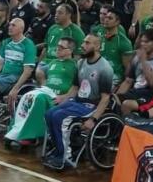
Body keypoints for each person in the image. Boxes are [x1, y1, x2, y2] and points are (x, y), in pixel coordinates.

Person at [43, 34, 114, 170]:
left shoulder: (105, 68)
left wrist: (93, 119)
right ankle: (58, 149)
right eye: (83, 42)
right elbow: (75, 87)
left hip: (92, 105)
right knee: (50, 113)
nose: (82, 45)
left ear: (97, 46)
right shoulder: (81, 62)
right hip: (77, 101)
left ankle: (65, 157)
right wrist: (63, 98)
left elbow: (105, 98)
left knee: (59, 117)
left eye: (87, 43)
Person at [5, 36, 77, 145]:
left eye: (61, 47)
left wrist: (65, 97)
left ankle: (30, 137)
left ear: (70, 51)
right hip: (47, 92)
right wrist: (44, 84)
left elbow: (76, 86)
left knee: (38, 99)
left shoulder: (75, 66)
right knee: (27, 95)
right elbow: (40, 72)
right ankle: (14, 131)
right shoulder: (53, 62)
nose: (57, 49)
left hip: (58, 97)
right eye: (57, 46)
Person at [118, 27, 153, 116]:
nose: (143, 44)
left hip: (151, 96)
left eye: (146, 42)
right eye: (142, 41)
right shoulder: (137, 58)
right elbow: (128, 81)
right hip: (135, 92)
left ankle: (125, 127)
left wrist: (143, 61)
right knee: (112, 100)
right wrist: (116, 96)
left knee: (127, 104)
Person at [38, 3, 84, 76]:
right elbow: (46, 48)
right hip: (45, 62)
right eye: (56, 12)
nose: (56, 15)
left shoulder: (76, 32)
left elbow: (78, 55)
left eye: (60, 13)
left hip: (60, 64)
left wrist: (68, 68)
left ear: (68, 15)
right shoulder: (53, 28)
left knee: (40, 73)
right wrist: (39, 62)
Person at [95, 8, 133, 89]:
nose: (106, 20)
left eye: (110, 18)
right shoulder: (99, 38)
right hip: (98, 71)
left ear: (117, 22)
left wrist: (124, 85)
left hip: (114, 75)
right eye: (106, 17)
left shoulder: (123, 42)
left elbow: (128, 68)